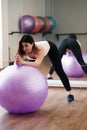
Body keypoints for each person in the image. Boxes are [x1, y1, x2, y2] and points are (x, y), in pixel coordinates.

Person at [15, 34, 74, 103]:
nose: (24, 48)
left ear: (32, 44)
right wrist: (18, 62)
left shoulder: (40, 50)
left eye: (26, 45)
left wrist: (22, 61)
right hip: (34, 55)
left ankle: (70, 93)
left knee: (59, 70)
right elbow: (17, 62)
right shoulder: (22, 49)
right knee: (27, 70)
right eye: (22, 46)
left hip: (51, 48)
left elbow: (37, 64)